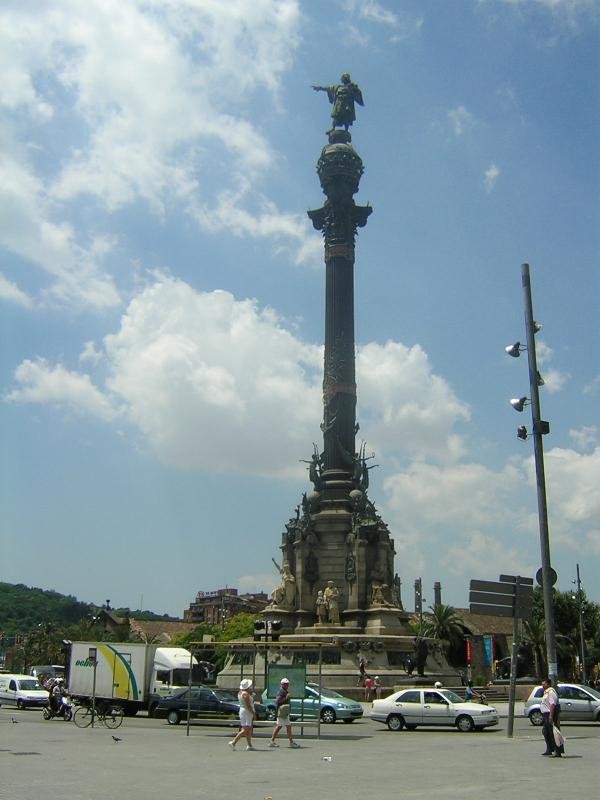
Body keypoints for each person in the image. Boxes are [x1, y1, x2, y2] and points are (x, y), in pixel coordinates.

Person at [269, 678, 300, 749]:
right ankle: (272, 741)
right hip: (282, 712)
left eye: (287, 684)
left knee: (287, 726)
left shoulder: (284, 691)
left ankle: (291, 742)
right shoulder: (281, 692)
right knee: (279, 726)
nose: (287, 685)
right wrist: (286, 698)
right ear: (282, 684)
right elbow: (278, 701)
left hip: (285, 712)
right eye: (285, 684)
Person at [228, 678, 256, 750]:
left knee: (247, 729)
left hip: (242, 711)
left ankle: (249, 745)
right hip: (247, 712)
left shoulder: (240, 693)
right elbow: (248, 705)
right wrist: (253, 713)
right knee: (247, 728)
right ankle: (234, 742)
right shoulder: (245, 694)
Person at [540, 678, 563, 757]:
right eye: (542, 684)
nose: (543, 686)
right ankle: (549, 749)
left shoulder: (551, 692)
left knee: (553, 733)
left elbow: (552, 705)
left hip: (550, 714)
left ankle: (557, 751)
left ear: (548, 684)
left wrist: (550, 716)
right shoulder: (546, 692)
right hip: (546, 714)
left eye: (544, 684)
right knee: (545, 732)